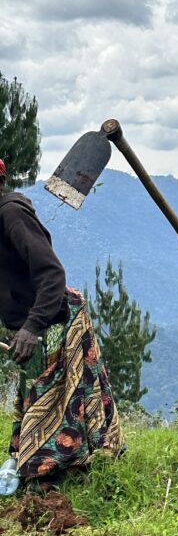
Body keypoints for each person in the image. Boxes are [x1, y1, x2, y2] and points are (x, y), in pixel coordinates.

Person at [0, 158, 123, 491]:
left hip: (51, 321)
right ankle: (46, 471)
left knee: (52, 402)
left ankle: (45, 479)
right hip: (29, 323)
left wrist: (31, 327)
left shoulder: (10, 213)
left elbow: (52, 273)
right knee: (38, 400)